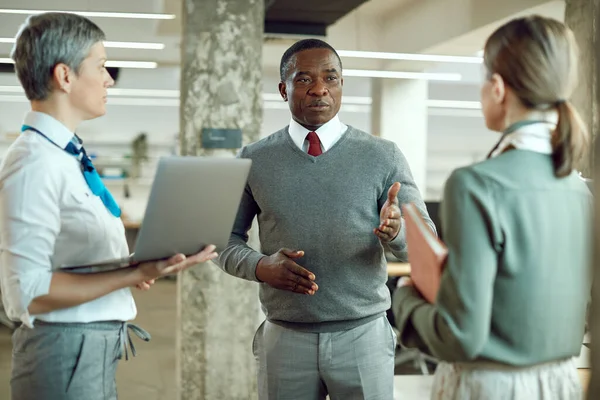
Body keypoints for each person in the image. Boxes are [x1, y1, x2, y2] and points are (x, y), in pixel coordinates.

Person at [0, 13, 218, 400]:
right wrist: (134, 274)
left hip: (89, 348)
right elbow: (27, 292)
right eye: (100, 67)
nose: (109, 79)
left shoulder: (65, 156)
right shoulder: (34, 163)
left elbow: (69, 258)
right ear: (64, 76)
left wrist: (141, 262)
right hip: (64, 353)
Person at [217, 38, 434, 399]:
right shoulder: (254, 159)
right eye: (304, 79)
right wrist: (261, 267)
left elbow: (424, 244)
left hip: (363, 337)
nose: (319, 89)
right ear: (283, 89)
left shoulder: (382, 156)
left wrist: (397, 233)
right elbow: (223, 240)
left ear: (341, 85)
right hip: (285, 338)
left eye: (330, 78)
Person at [392, 15, 591, 400]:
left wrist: (405, 298)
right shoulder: (578, 188)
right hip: (561, 384)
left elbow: (460, 336)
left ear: (497, 88)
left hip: (492, 387)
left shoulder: (476, 184)